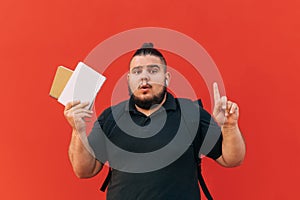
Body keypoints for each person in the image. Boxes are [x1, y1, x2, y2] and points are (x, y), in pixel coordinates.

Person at [64, 43, 246, 200]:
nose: (144, 77)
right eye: (137, 71)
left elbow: (231, 159)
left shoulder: (191, 113)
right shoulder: (111, 117)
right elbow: (84, 171)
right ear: (129, 80)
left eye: (153, 70)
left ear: (167, 78)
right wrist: (78, 130)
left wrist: (229, 126)